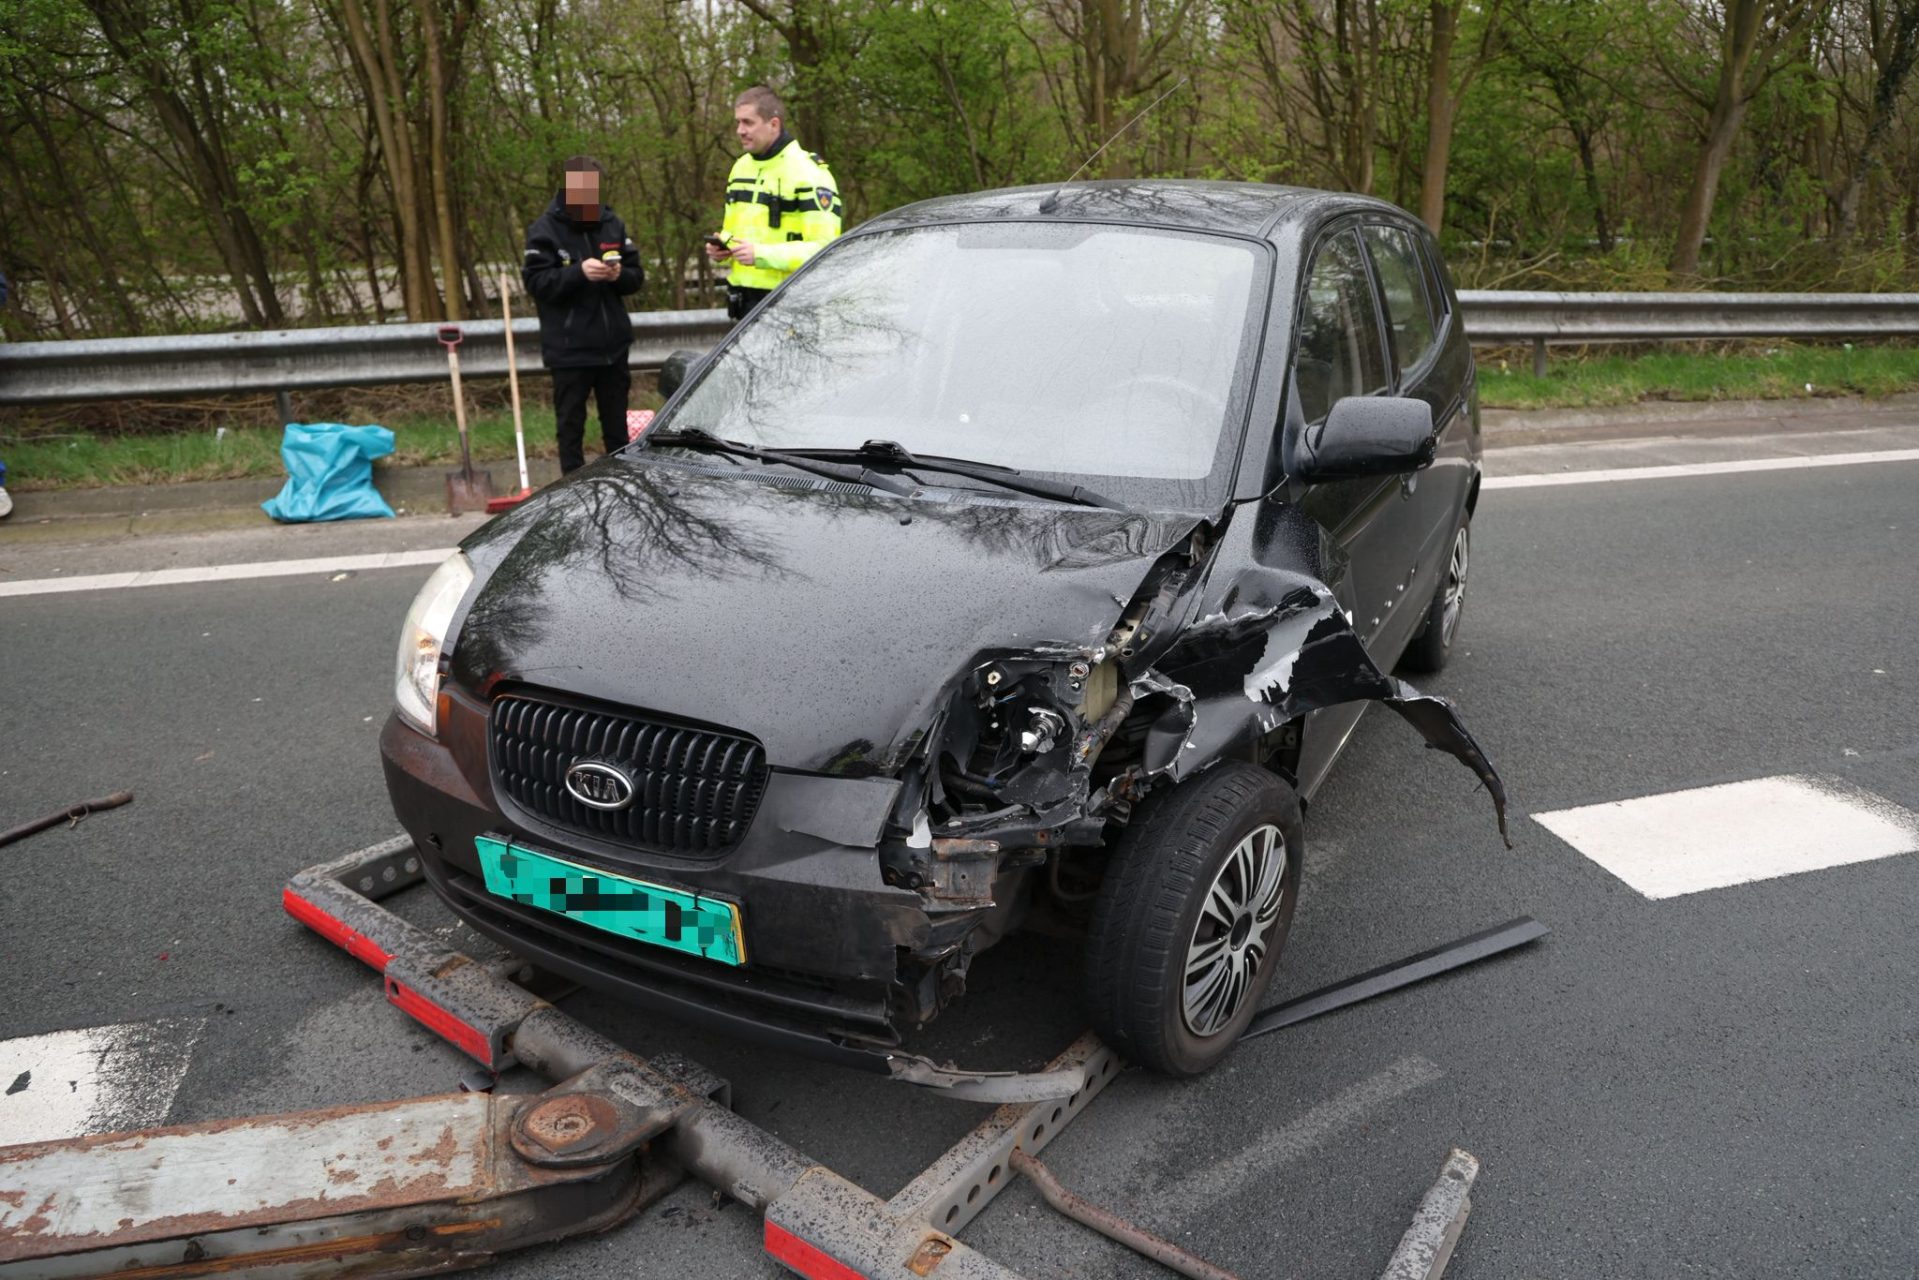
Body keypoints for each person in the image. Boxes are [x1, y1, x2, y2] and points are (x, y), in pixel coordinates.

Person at [522, 156, 645, 474]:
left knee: (617, 430)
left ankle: (622, 482)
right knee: (570, 428)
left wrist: (618, 275)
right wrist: (578, 273)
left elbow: (636, 276)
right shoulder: (544, 231)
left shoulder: (611, 223)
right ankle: (571, 488)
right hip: (569, 349)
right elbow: (537, 283)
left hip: (612, 347)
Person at [704, 86, 842, 322]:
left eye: (748, 122)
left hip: (789, 304)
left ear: (774, 124)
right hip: (742, 305)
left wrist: (761, 254)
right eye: (738, 123)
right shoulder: (740, 167)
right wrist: (722, 249)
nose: (740, 131)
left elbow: (825, 249)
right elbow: (737, 232)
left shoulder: (809, 172)